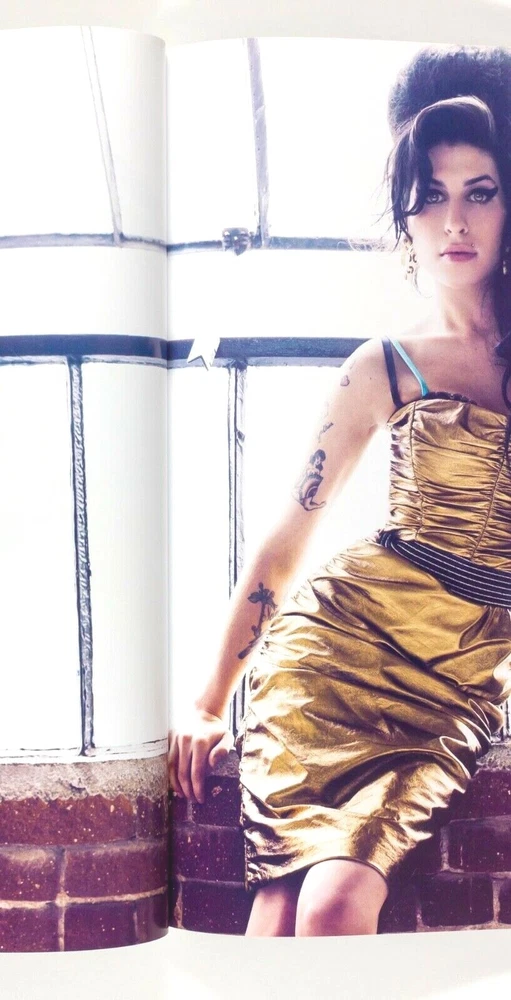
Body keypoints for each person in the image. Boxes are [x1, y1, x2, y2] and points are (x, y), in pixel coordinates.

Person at [168, 45, 511, 937]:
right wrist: (206, 702)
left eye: (479, 192)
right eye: (429, 197)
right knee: (285, 903)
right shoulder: (383, 367)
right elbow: (287, 541)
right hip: (334, 649)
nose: (454, 221)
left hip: (455, 676)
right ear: (403, 218)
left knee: (332, 902)